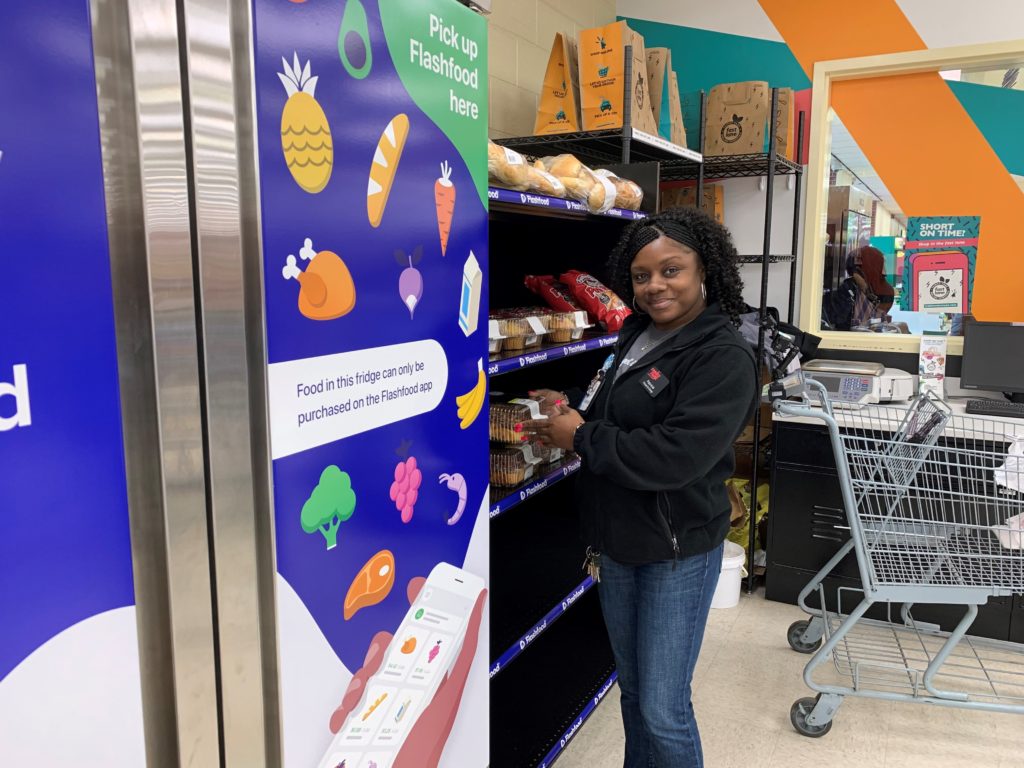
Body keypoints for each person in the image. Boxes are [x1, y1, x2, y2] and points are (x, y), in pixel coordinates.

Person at [523, 208, 757, 768]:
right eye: (641, 276)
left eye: (671, 270)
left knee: (662, 708)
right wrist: (572, 410)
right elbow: (616, 412)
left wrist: (582, 438)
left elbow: (674, 457)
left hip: (675, 550)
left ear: (706, 271)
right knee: (632, 691)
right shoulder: (636, 333)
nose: (655, 286)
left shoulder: (723, 356)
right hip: (619, 540)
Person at [822, 245, 895, 330]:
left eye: (857, 270)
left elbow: (840, 320)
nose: (853, 274)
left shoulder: (849, 289)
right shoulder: (849, 289)